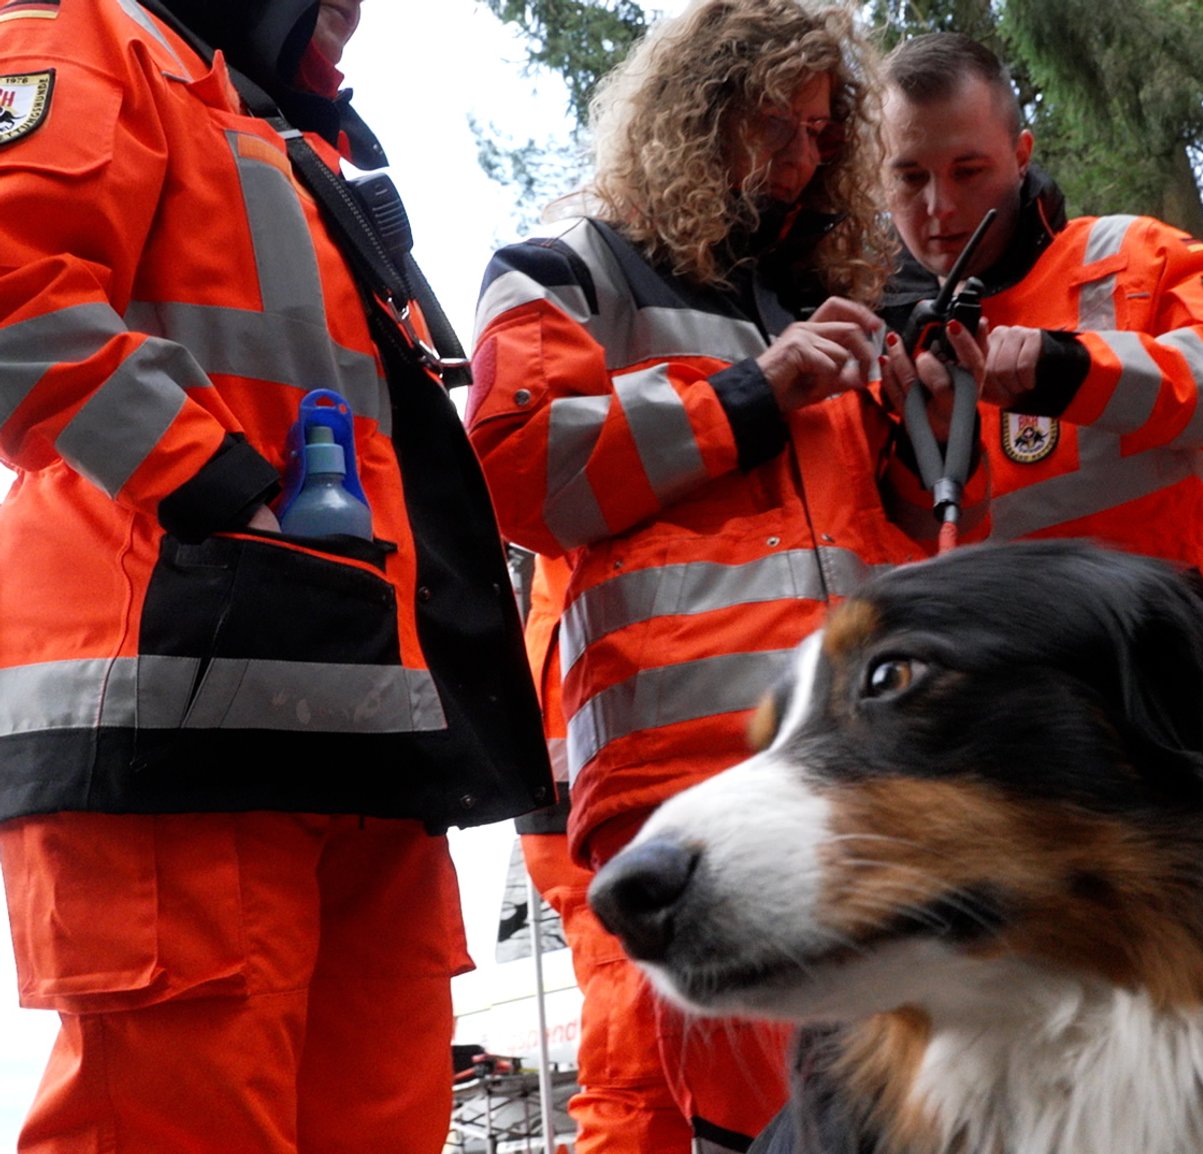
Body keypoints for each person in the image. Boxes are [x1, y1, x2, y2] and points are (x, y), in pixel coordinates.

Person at [0, 1, 554, 1152]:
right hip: (175, 722)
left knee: (382, 1121)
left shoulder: (284, 136)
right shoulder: (85, 33)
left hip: (362, 726)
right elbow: (13, 296)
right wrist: (220, 486)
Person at [465, 2, 929, 1149]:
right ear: (698, 114)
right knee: (745, 1114)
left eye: (824, 131)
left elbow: (886, 525)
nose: (804, 158)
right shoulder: (562, 270)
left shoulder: (834, 296)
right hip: (683, 772)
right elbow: (518, 471)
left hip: (856, 757)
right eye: (777, 126)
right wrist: (748, 392)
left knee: (901, 1097)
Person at [874, 33, 1203, 606]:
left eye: (968, 171)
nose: (939, 207)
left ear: (1021, 156)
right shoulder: (865, 335)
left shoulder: (1130, 255)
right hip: (988, 681)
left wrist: (1073, 370)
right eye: (909, 178)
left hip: (1156, 664)